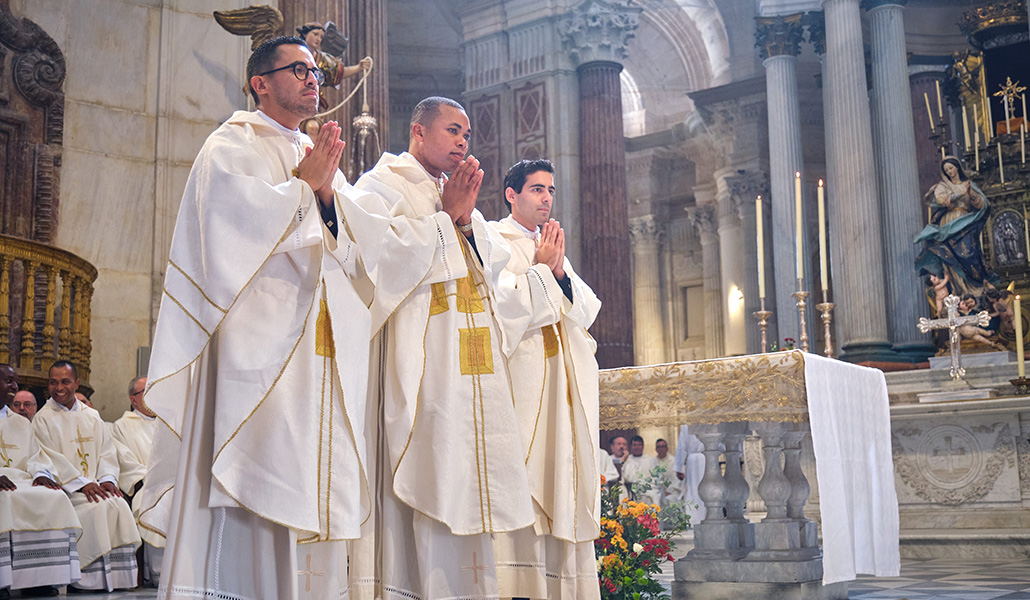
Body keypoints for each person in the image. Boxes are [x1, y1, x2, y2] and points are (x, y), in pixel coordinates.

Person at [134, 36, 375, 600]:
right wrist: (305, 190)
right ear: (259, 82)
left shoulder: (321, 160)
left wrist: (324, 196)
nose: (313, 79)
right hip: (254, 355)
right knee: (252, 471)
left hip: (313, 355)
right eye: (298, 69)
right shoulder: (229, 147)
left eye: (316, 72)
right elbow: (228, 235)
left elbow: (352, 252)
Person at [346, 96, 535, 599]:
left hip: (467, 367)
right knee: (426, 461)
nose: (462, 142)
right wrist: (446, 220)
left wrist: (467, 222)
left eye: (467, 135)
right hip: (417, 359)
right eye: (452, 130)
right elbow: (373, 260)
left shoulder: (454, 192)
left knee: (467, 465)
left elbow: (492, 267)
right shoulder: (379, 187)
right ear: (418, 132)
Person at [488, 159, 602, 599]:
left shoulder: (551, 246)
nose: (546, 198)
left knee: (561, 475)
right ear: (511, 195)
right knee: (526, 479)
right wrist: (541, 270)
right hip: (524, 384)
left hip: (560, 387)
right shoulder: (495, 239)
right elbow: (502, 310)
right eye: (536, 190)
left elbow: (587, 309)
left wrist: (555, 271)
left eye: (550, 190)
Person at [32, 361, 140, 591]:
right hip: (67, 490)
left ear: (77, 383)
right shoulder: (43, 418)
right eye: (53, 382)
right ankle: (86, 580)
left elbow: (107, 451)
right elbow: (49, 457)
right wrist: (82, 484)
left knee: (118, 503)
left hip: (95, 484)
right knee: (97, 507)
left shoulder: (92, 415)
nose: (59, 387)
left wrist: (108, 480)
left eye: (65, 381)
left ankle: (116, 580)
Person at [0, 396, 82, 596]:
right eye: (8, 381)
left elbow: (35, 454)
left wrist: (40, 474)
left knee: (55, 496)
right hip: (4, 483)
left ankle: (40, 580)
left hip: (23, 479)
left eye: (14, 381)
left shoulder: (20, 422)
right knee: (7, 499)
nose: (13, 386)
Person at [915, 156, 999, 297]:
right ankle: (959, 290)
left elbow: (982, 205)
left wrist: (971, 194)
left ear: (957, 167)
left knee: (969, 253)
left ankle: (974, 289)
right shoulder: (943, 186)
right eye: (946, 170)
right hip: (949, 224)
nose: (949, 172)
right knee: (950, 255)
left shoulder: (968, 184)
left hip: (965, 222)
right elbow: (942, 200)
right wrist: (960, 194)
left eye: (951, 168)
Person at [111, 377, 160, 587]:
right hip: (147, 485)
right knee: (158, 502)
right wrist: (151, 479)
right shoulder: (121, 426)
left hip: (175, 484)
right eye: (146, 391)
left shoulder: (171, 423)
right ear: (134, 399)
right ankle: (158, 572)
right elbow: (125, 461)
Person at [294, 22, 372, 138]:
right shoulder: (293, 54)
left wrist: (358, 67)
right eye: (315, 34)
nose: (318, 39)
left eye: (321, 37)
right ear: (305, 34)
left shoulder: (322, 59)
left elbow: (339, 73)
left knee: (313, 128)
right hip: (293, 100)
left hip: (313, 104)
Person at [674, 425, 706, 523]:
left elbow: (681, 447)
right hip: (705, 458)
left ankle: (695, 519)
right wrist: (678, 467)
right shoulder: (686, 426)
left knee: (695, 490)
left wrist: (678, 467)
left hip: (699, 459)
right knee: (694, 490)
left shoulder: (686, 425)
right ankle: (695, 519)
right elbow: (681, 446)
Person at [621, 435, 657, 504]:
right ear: (631, 446)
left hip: (648, 490)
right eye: (634, 445)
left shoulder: (650, 460)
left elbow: (655, 478)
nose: (637, 447)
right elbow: (626, 477)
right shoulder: (627, 460)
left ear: (643, 446)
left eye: (639, 445)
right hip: (632, 490)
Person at [654, 438, 677, 507]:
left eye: (663, 446)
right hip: (658, 492)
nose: (661, 449)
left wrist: (669, 491)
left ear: (667, 448)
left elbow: (676, 479)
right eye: (658, 447)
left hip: (672, 492)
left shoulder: (674, 461)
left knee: (669, 500)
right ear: (656, 449)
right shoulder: (653, 461)